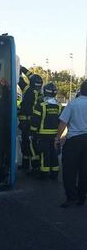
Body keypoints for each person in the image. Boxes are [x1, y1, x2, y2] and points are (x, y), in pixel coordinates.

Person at [56, 80, 87, 208]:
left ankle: (71, 197)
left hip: (74, 140)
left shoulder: (73, 104)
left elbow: (63, 122)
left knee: (69, 170)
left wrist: (58, 138)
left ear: (81, 90)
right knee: (84, 170)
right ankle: (82, 197)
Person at [30, 82, 62, 179]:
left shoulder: (41, 105)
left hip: (43, 135)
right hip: (55, 135)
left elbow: (35, 120)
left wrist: (32, 132)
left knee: (45, 154)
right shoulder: (59, 106)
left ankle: (44, 173)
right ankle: (55, 173)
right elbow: (61, 121)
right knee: (54, 154)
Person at [18, 73, 43, 171]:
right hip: (32, 122)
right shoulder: (40, 93)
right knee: (28, 143)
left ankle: (34, 166)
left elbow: (20, 81)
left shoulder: (28, 90)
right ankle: (27, 165)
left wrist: (20, 69)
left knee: (28, 144)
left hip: (26, 123)